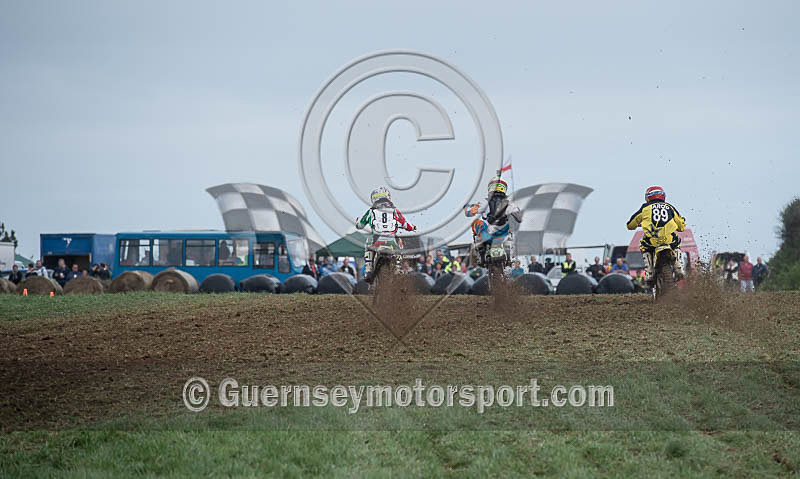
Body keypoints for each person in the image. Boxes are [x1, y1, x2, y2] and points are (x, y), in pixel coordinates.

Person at [626, 186, 686, 285]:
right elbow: (681, 227)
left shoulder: (645, 208)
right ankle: (678, 266)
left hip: (652, 240)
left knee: (644, 245)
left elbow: (630, 225)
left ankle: (649, 272)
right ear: (663, 196)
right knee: (676, 241)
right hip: (668, 240)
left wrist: (637, 224)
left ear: (648, 197)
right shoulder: (670, 207)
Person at [355, 186, 416, 282]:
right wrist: (413, 227)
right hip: (391, 240)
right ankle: (397, 267)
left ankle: (369, 268)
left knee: (368, 243)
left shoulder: (371, 211)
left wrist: (357, 222)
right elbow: (405, 224)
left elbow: (360, 225)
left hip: (377, 239)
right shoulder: (395, 211)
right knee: (400, 242)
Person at [464, 174, 522, 267]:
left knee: (476, 223)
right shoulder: (510, 204)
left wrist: (467, 208)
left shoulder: (485, 202)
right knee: (510, 229)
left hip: (488, 234)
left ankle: (482, 255)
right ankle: (509, 256)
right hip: (503, 233)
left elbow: (469, 212)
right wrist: (516, 213)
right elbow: (519, 218)